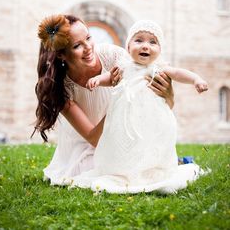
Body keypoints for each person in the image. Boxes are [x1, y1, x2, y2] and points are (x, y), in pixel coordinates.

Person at [69, 20, 208, 194]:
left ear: (160, 49)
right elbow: (110, 80)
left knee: (151, 144)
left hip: (152, 119)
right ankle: (125, 170)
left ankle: (152, 169)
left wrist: (196, 80)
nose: (145, 46)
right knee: (125, 145)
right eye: (139, 40)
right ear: (128, 47)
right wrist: (98, 80)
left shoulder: (159, 68)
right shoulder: (123, 66)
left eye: (152, 42)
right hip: (124, 119)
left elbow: (179, 73)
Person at [34, 14, 174, 185]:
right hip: (91, 144)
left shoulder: (113, 56)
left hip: (124, 135)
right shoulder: (60, 88)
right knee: (94, 169)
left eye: (88, 38)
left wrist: (169, 95)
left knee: (143, 162)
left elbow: (151, 102)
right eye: (77, 45)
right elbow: (93, 138)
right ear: (62, 55)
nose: (88, 48)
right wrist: (119, 104)